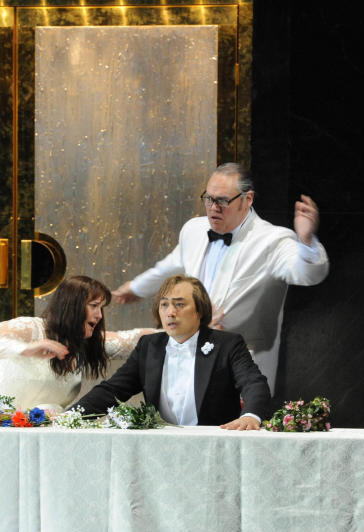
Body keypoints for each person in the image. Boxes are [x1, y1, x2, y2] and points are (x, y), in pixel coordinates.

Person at [111, 163, 329, 393]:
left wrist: (305, 241)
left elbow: (308, 274)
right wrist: (136, 287)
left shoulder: (273, 240)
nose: (213, 208)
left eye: (223, 201)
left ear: (248, 199)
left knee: (242, 424)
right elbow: (172, 264)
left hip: (247, 360)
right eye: (209, 198)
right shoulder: (193, 230)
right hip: (192, 352)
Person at [0, 275, 155, 413]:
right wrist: (25, 349)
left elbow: (135, 338)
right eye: (94, 306)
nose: (99, 316)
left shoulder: (89, 344)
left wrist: (185, 324)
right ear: (72, 307)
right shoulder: (33, 328)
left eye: (101, 308)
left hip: (38, 430)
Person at [72, 275, 270, 429]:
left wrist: (251, 416)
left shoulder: (227, 344)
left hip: (215, 445)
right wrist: (71, 416)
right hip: (162, 447)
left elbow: (253, 382)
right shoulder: (149, 346)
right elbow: (112, 391)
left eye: (179, 304)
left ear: (200, 310)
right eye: (164, 304)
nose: (170, 312)